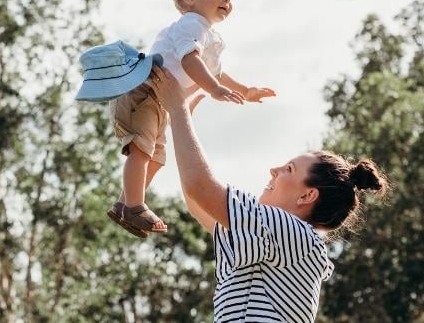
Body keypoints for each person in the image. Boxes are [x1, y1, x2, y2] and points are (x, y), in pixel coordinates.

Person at [149, 66, 390, 322]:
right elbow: (199, 200)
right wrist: (181, 121)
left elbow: (200, 187)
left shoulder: (294, 233)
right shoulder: (279, 239)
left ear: (307, 196)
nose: (273, 170)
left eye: (288, 169)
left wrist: (178, 109)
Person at [106, 0, 276, 238]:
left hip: (160, 100)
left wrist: (246, 90)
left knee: (157, 158)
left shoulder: (209, 35)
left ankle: (125, 204)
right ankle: (135, 205)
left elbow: (217, 73)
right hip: (144, 90)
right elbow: (190, 62)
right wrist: (212, 89)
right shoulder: (190, 25)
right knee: (142, 150)